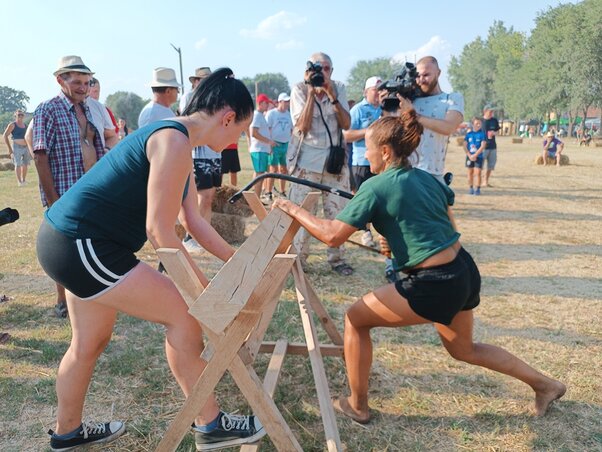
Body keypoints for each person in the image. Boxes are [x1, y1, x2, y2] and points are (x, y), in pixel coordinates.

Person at [272, 109, 566, 425]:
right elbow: (436, 220)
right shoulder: (427, 177)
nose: (366, 154)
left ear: (384, 151)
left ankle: (357, 406)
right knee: (465, 350)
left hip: (435, 282)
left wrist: (289, 207)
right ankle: (546, 385)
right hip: (463, 269)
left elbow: (331, 235)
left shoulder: (375, 185)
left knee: (355, 319)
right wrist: (394, 237)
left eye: (369, 148)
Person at [36, 68, 265, 451]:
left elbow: (190, 220)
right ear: (228, 117)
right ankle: (210, 424)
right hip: (82, 244)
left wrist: (237, 260)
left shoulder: (179, 141)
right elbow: (160, 232)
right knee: (185, 315)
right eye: (239, 131)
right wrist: (200, 292)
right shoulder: (172, 141)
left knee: (89, 341)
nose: (235, 140)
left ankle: (67, 433)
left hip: (68, 241)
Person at [31, 55, 106, 319]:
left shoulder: (88, 109)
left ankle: (87, 297)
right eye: (77, 82)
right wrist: (53, 201)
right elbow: (39, 155)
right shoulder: (47, 109)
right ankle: (63, 301)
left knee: (89, 244)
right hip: (64, 193)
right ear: (60, 80)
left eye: (87, 82)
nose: (83, 88)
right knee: (64, 248)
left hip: (91, 190)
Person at [289, 52, 353, 276]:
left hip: (334, 163)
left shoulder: (339, 87)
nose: (322, 73)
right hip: (306, 162)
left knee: (338, 213)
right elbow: (301, 127)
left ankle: (338, 259)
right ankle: (298, 260)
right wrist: (310, 95)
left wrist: (331, 94)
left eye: (326, 68)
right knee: (302, 212)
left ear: (332, 71)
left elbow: (346, 124)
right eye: (318, 68)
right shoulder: (298, 89)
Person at [410, 56, 464, 182]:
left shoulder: (452, 98)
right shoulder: (409, 101)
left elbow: (448, 127)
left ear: (438, 73)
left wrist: (413, 115)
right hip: (407, 173)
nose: (421, 80)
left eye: (426, 75)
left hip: (433, 175)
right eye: (418, 76)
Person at [343, 76, 382, 250]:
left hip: (383, 162)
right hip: (362, 161)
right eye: (375, 89)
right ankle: (366, 232)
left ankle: (384, 233)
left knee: (382, 198)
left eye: (381, 89)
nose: (379, 93)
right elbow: (346, 135)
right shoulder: (358, 110)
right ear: (366, 92)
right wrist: (369, 131)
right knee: (364, 198)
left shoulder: (386, 108)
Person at [265, 92, 293, 198]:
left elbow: (291, 129)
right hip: (275, 144)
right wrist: (269, 143)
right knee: (273, 169)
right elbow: (267, 128)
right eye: (285, 102)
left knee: (284, 169)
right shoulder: (272, 114)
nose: (287, 104)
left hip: (285, 144)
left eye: (288, 102)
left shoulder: (288, 114)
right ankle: (268, 191)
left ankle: (282, 191)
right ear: (279, 102)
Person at [249, 93, 275, 199]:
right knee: (260, 175)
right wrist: (268, 141)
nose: (268, 105)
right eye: (266, 103)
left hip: (261, 150)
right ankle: (256, 200)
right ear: (260, 103)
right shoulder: (256, 116)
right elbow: (253, 133)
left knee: (258, 174)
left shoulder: (260, 115)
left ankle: (254, 199)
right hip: (259, 150)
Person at [86, 78, 119, 150]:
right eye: (94, 91)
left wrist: (107, 149)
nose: (96, 94)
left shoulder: (104, 110)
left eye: (98, 91)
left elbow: (114, 135)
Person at [3, 110, 31, 186]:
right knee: (18, 164)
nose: (20, 116)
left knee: (25, 164)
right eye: (19, 115)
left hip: (26, 147)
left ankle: (24, 180)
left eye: (22, 115)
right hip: (16, 146)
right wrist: (9, 149)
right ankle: (19, 182)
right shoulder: (12, 125)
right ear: (15, 116)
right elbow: (5, 135)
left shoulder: (25, 125)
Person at [463, 117, 486, 195]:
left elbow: (483, 146)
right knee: (470, 172)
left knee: (478, 172)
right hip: (470, 156)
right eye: (477, 123)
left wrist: (476, 155)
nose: (479, 125)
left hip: (478, 156)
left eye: (480, 123)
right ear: (473, 124)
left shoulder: (482, 134)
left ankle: (478, 189)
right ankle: (471, 188)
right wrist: (469, 155)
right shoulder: (469, 134)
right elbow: (464, 145)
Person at [482, 106, 500, 187]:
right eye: (490, 111)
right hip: (482, 147)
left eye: (492, 111)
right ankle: (478, 181)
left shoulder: (494, 120)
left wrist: (494, 133)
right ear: (485, 111)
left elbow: (498, 132)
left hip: (492, 146)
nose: (492, 113)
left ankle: (486, 181)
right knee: (479, 166)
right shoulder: (480, 121)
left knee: (490, 165)